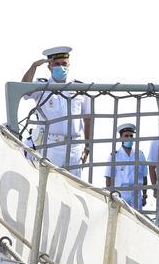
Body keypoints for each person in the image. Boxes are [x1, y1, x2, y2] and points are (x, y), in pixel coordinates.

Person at [20, 46, 92, 177]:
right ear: (49, 66)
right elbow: (24, 90)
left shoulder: (79, 88)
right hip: (51, 145)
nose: (61, 67)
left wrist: (87, 147)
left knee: (74, 187)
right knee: (50, 184)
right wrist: (34, 66)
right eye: (56, 64)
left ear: (69, 64)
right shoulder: (42, 86)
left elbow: (88, 118)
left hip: (74, 146)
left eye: (64, 64)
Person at [104, 123, 148, 210]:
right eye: (126, 136)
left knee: (137, 221)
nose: (129, 138)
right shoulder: (114, 156)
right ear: (121, 138)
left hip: (136, 194)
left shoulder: (140, 155)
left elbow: (144, 177)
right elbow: (108, 178)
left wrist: (144, 195)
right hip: (121, 193)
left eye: (131, 136)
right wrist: (111, 195)